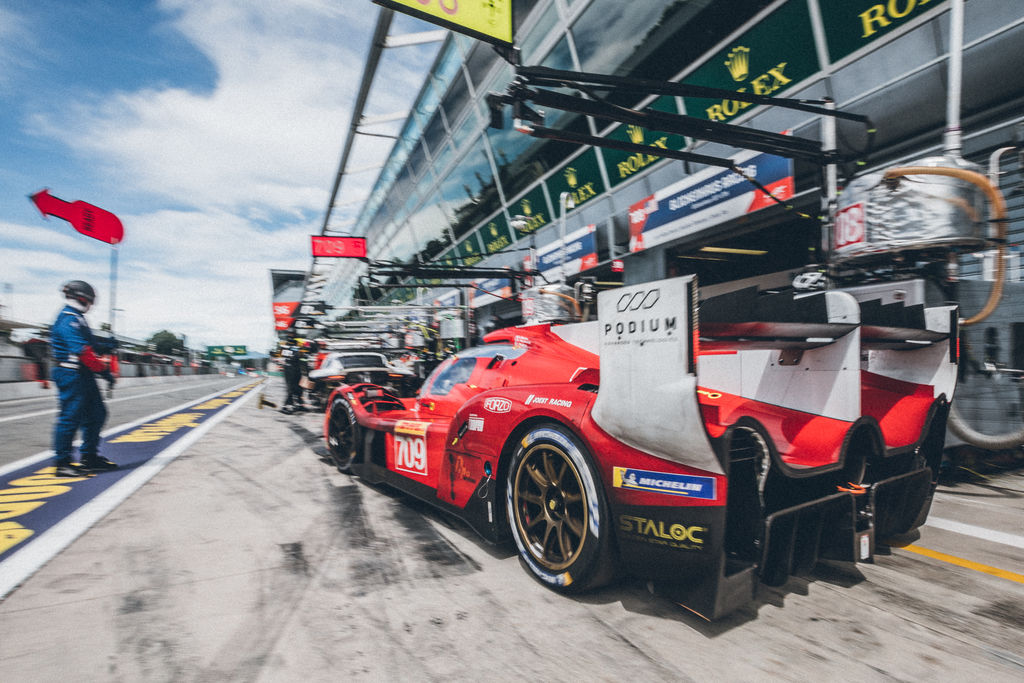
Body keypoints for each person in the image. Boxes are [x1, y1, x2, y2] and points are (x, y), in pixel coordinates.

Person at [50, 280, 117, 477]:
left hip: (83, 374)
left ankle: (89, 457)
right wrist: (104, 371)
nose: (91, 305)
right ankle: (62, 462)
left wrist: (106, 345)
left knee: (97, 414)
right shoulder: (68, 319)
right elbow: (83, 352)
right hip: (71, 374)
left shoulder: (78, 318)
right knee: (70, 417)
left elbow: (91, 344)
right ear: (83, 298)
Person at [279, 335, 306, 413]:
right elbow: (293, 358)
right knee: (291, 389)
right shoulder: (289, 350)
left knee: (299, 388)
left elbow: (302, 360)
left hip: (297, 371)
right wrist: (299, 353)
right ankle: (286, 407)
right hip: (290, 371)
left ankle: (300, 405)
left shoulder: (297, 350)